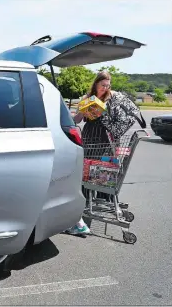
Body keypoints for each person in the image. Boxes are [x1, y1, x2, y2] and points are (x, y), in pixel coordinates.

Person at [66, 70, 117, 236]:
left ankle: (102, 200)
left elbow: (116, 117)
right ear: (96, 84)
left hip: (105, 136)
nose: (105, 88)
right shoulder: (86, 97)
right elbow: (77, 119)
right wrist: (83, 110)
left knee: (103, 169)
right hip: (90, 135)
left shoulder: (112, 97)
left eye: (108, 86)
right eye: (103, 85)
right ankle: (85, 201)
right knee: (87, 170)